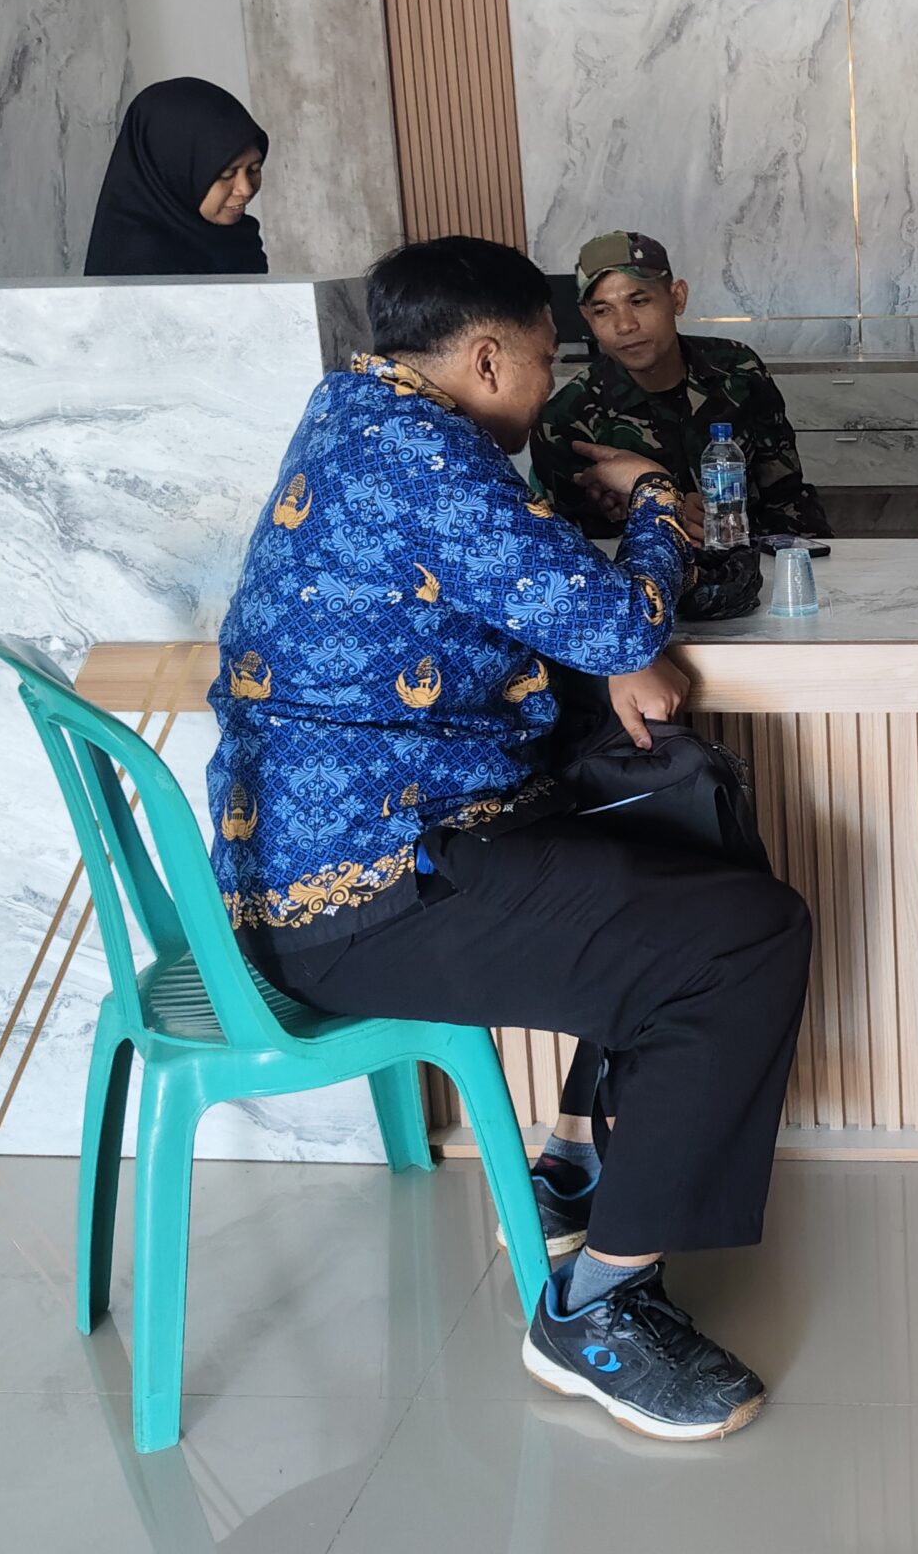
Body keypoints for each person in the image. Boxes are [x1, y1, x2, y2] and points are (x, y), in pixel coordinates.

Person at [207, 235, 811, 1442]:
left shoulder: (357, 415)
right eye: (543, 360)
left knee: (681, 842)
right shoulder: (424, 457)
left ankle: (578, 1161)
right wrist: (653, 498)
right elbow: (616, 619)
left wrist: (607, 639)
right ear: (486, 358)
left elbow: (540, 602)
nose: (549, 385)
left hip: (372, 847)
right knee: (744, 938)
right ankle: (595, 1309)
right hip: (364, 891)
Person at [534, 229, 830, 544]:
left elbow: (786, 494)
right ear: (586, 317)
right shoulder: (567, 419)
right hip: (646, 572)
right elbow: (566, 546)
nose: (625, 325)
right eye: (602, 310)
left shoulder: (738, 370)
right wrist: (665, 512)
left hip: (754, 558)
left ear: (677, 297)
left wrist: (800, 558)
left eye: (639, 301)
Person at [84, 77, 269, 276]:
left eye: (254, 169)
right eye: (226, 175)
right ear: (173, 172)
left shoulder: (235, 242)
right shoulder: (138, 274)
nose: (246, 189)